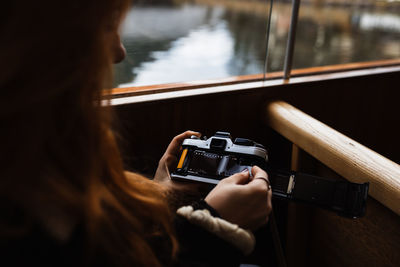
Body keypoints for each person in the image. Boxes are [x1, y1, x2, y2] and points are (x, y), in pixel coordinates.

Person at [0, 1, 273, 266]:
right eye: (107, 26)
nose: (119, 52)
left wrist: (162, 193)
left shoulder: (44, 147)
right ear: (39, 45)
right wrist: (213, 230)